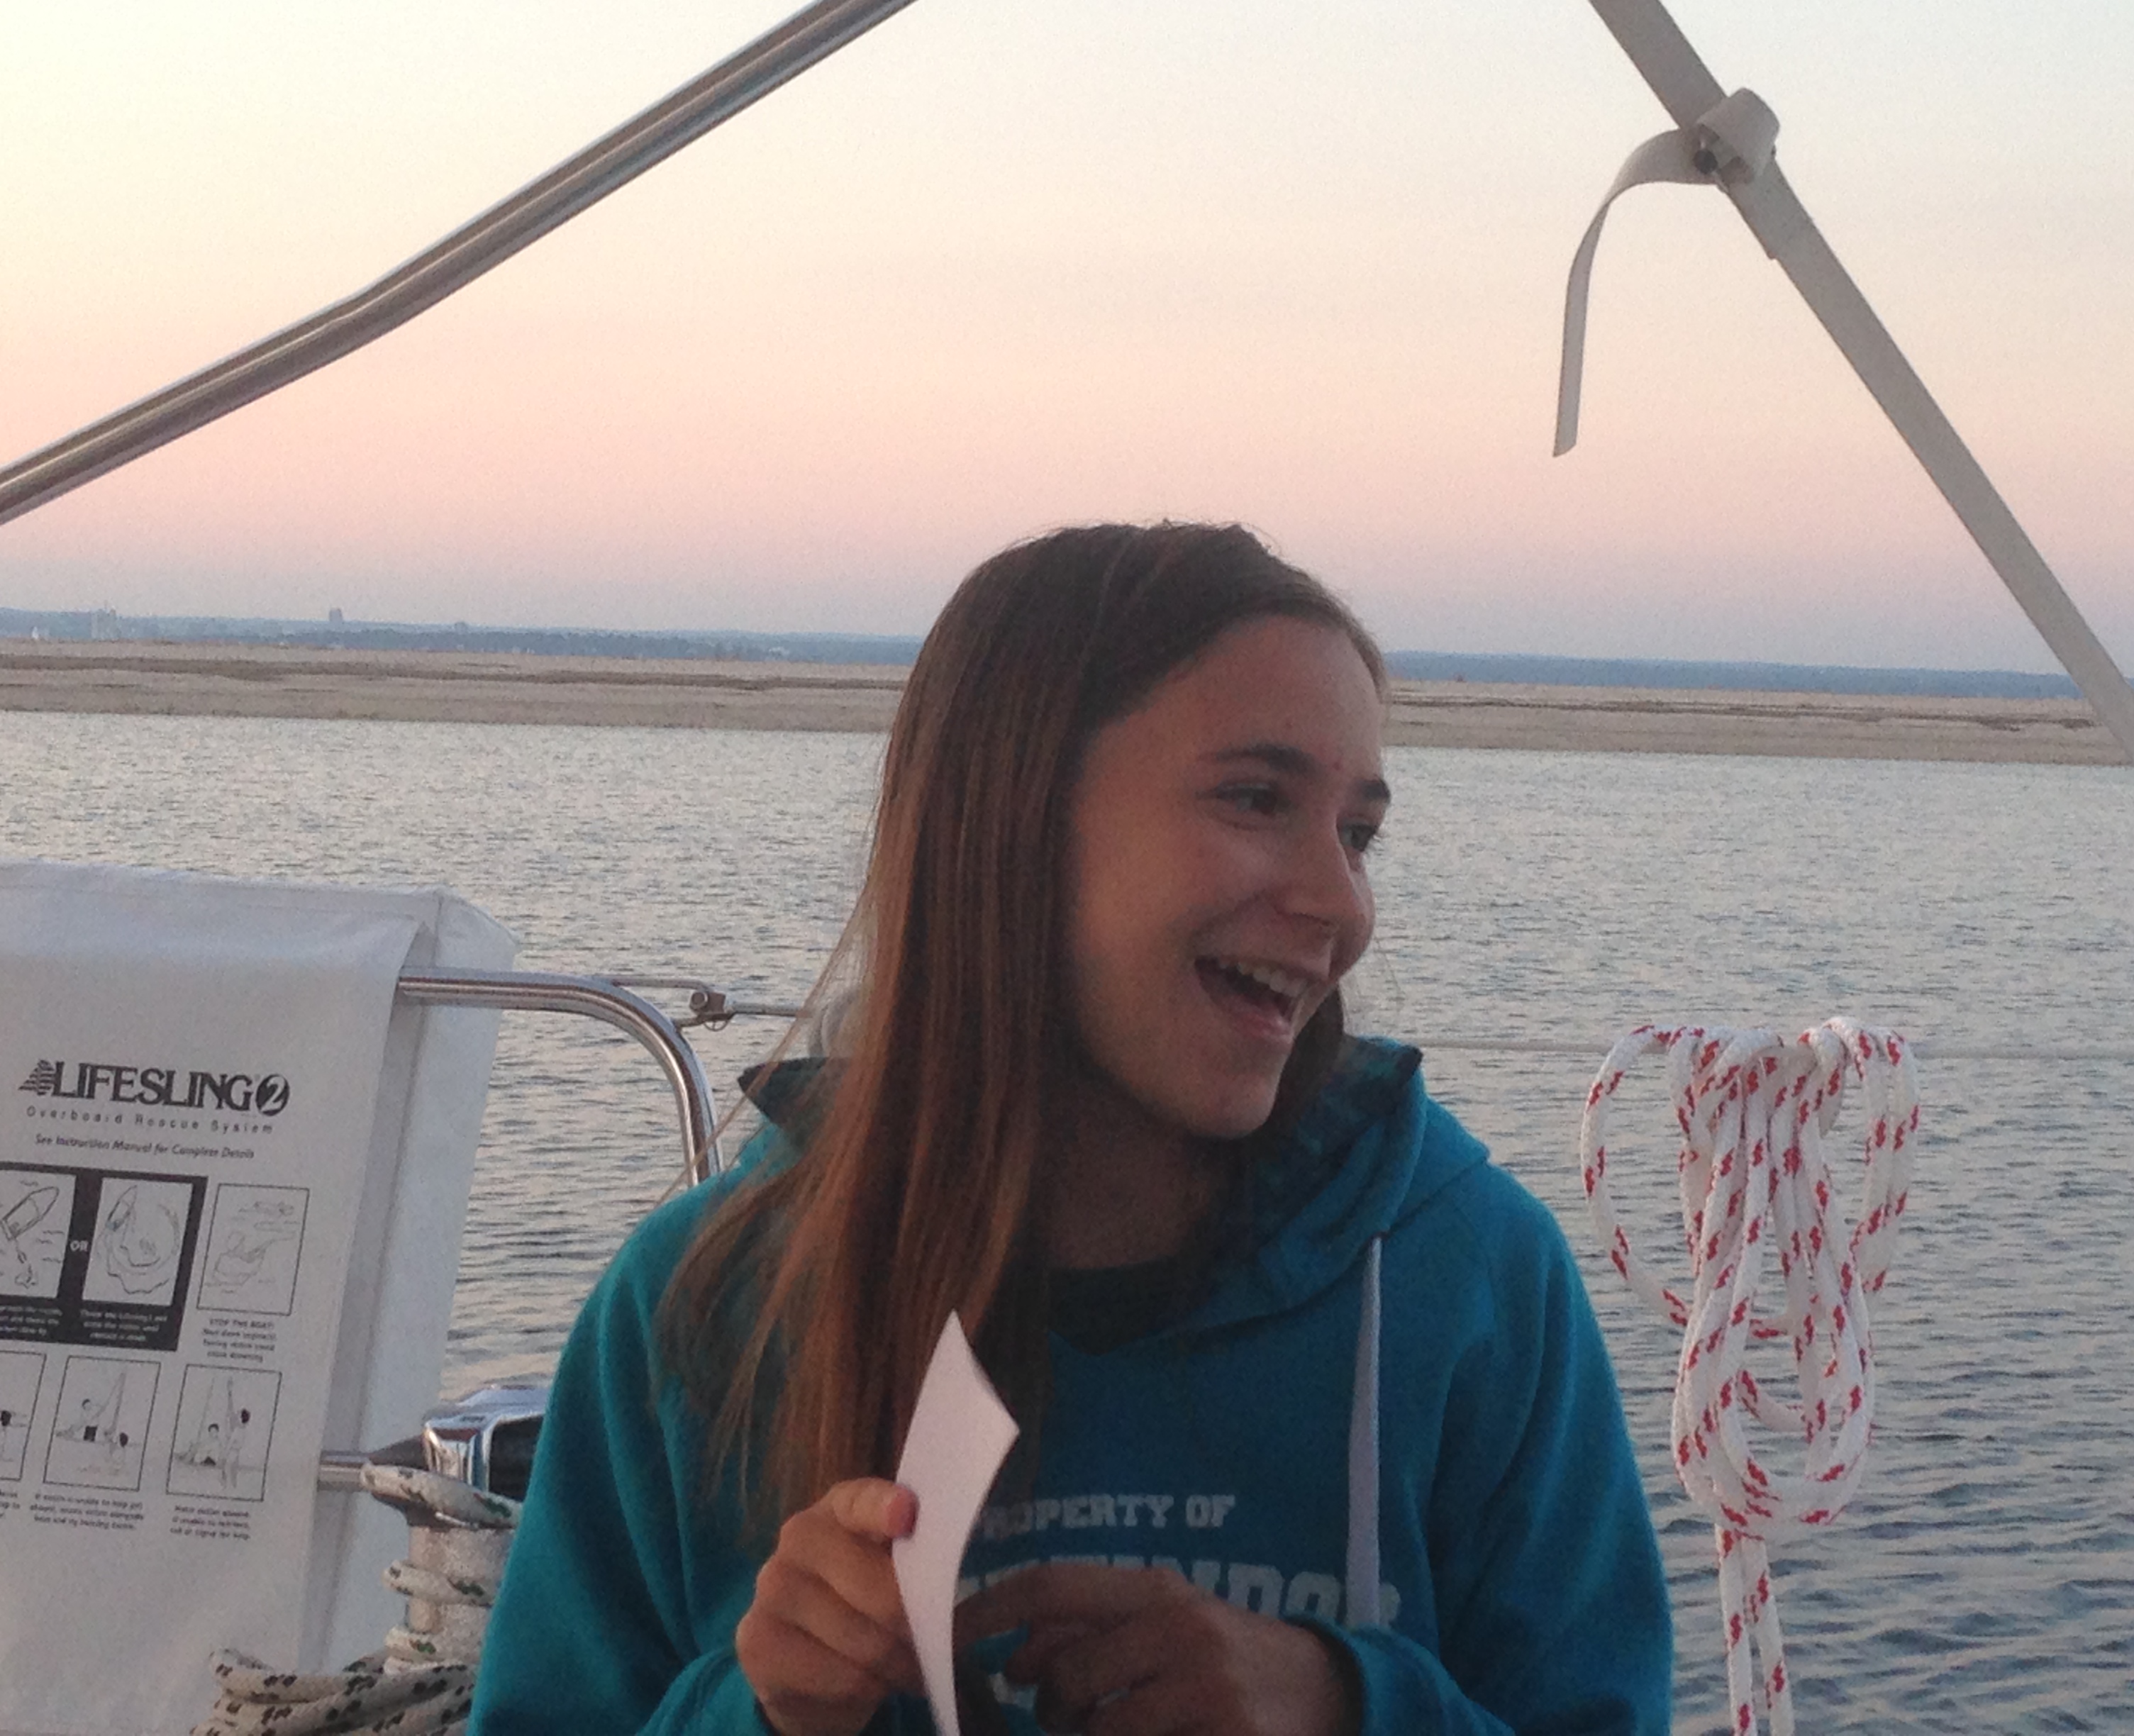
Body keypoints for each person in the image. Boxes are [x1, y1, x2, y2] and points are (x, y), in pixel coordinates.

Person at [472, 523, 1672, 1735]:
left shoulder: (1469, 1282)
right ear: (1014, 824)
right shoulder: (709, 1305)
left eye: (1357, 835)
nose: (1340, 904)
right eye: (1257, 800)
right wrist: (763, 1711)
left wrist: (1340, 1705)